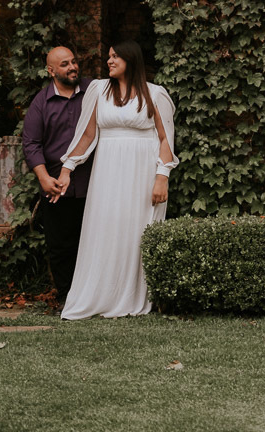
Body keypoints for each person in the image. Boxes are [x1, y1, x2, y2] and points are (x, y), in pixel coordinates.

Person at [54, 39, 178, 320]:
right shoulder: (99, 90)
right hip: (107, 173)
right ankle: (101, 295)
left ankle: (134, 297)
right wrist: (67, 168)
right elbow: (86, 136)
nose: (109, 61)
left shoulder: (154, 94)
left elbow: (164, 138)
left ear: (130, 61)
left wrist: (162, 176)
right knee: (105, 228)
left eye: (115, 57)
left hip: (142, 173)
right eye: (109, 56)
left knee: (136, 232)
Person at [22, 46, 93, 305]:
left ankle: (93, 297)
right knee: (61, 246)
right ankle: (67, 299)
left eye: (74, 61)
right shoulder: (41, 102)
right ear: (51, 70)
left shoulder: (94, 91)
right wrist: (42, 176)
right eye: (64, 64)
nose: (72, 67)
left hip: (94, 182)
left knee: (95, 243)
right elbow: (31, 143)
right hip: (56, 186)